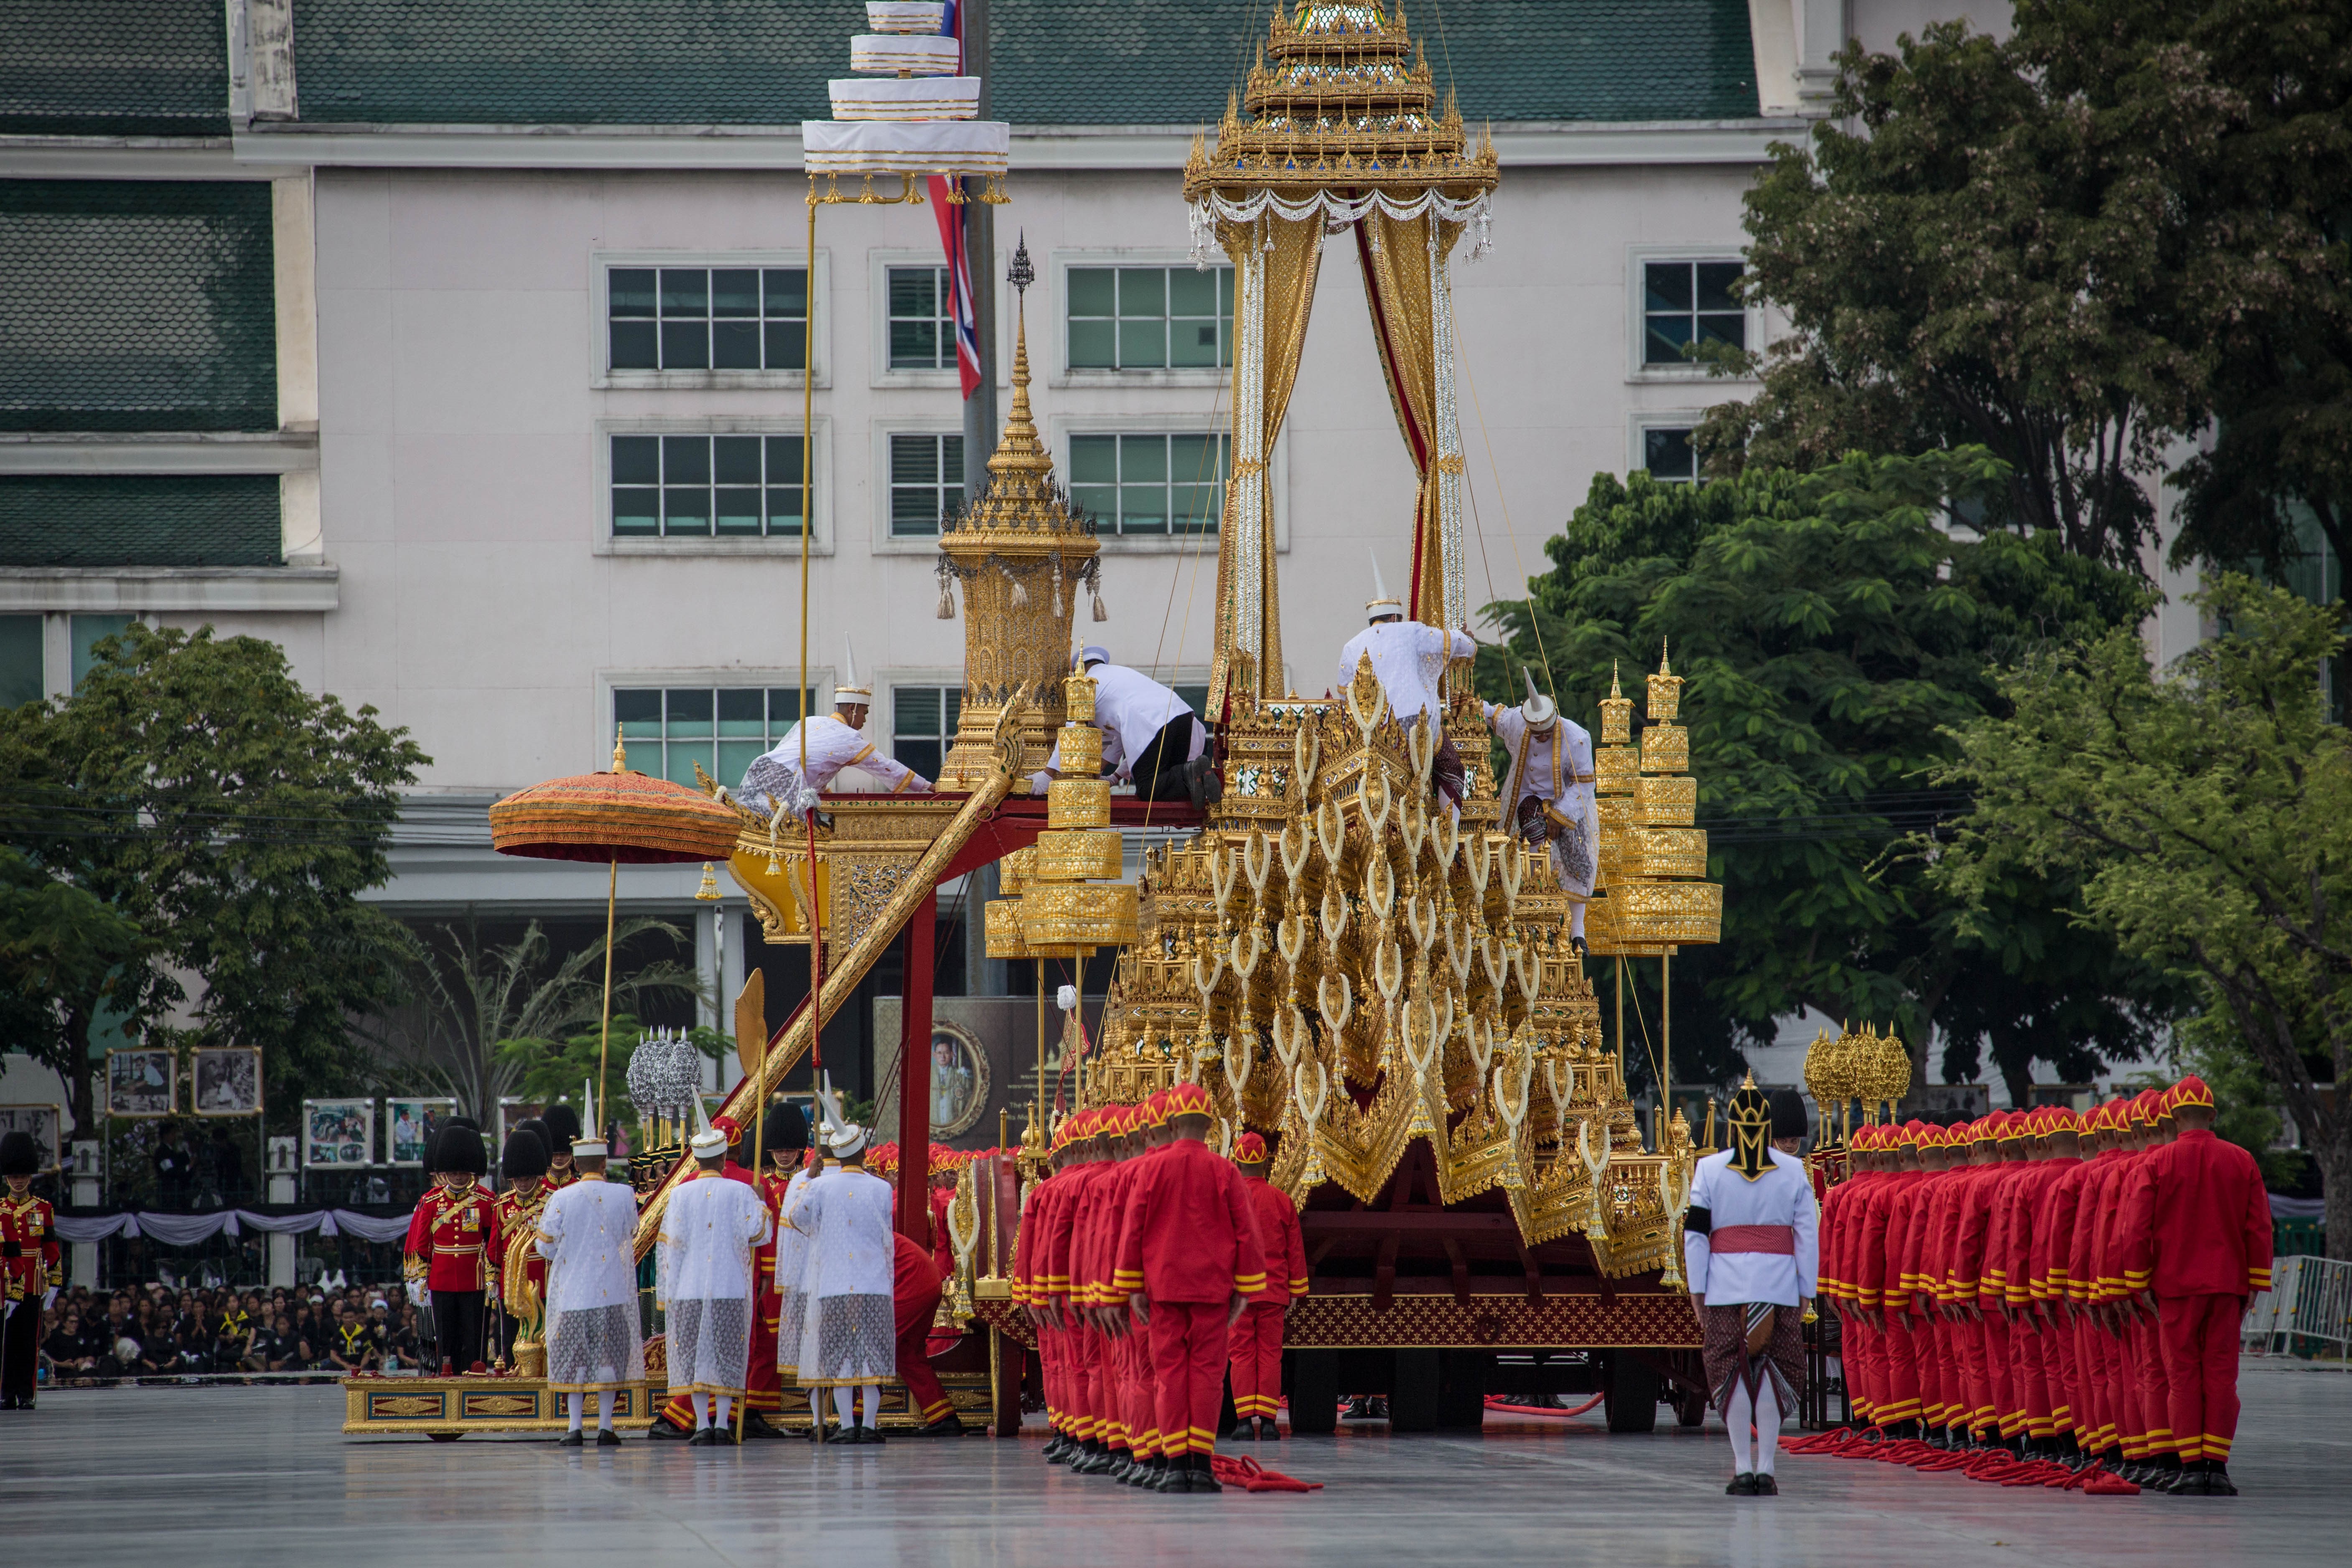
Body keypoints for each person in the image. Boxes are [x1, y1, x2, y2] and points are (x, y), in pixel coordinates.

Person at [2114, 1076, 2270, 1497]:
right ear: (2213, 1115)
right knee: (2221, 1375)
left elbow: (2135, 1229)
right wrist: (2256, 1280)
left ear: (2175, 1117)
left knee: (2181, 1375)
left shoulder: (2156, 1163)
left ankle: (2188, 1468)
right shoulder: (2242, 1160)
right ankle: (2216, 1467)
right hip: (2226, 1284)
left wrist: (2137, 1280)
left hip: (2175, 1286)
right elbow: (2258, 1226)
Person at [1112, 1081, 1268, 1494]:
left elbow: (1134, 1230)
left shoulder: (1151, 1169)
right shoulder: (1225, 1169)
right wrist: (1245, 1289)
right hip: (1213, 1291)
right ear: (1208, 1124)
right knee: (1207, 1374)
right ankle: (1200, 1464)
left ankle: (1175, 1465)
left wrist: (1132, 1287)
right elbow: (1247, 1233)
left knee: (1168, 1375)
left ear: (1173, 1122)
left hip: (1163, 1289)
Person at [1683, 1083, 1817, 1497]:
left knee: (1731, 1372)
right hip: (1778, 1285)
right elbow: (1807, 1234)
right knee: (1774, 1370)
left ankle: (1743, 1466)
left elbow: (1696, 1235)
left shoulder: (1709, 1169)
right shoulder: (1794, 1171)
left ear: (1732, 1126)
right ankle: (1767, 1467)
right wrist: (1806, 1289)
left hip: (1725, 1286)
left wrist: (1697, 1288)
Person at [535, 1087, 645, 1445]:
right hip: (611, 1290)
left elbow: (544, 1247)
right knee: (609, 1360)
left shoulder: (560, 1198)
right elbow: (630, 1231)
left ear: (576, 1164)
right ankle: (607, 1427)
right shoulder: (624, 1194)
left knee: (576, 1361)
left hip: (572, 1294)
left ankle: (574, 1427)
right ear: (604, 1163)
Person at [656, 1109, 772, 1444]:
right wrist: (761, 1205)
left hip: (690, 1287)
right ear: (724, 1158)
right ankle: (721, 1423)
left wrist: (668, 1292)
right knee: (726, 1356)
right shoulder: (741, 1192)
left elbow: (670, 1247)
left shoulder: (680, 1193)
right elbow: (760, 1234)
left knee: (695, 1359)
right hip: (730, 1286)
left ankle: (703, 1427)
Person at [787, 1107, 898, 1443]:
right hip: (872, 1282)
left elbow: (797, 1218)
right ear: (864, 1152)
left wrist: (809, 1180)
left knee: (840, 1356)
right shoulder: (882, 1188)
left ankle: (848, 1425)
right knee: (870, 1356)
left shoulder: (821, 1187)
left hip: (834, 1284)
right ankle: (869, 1425)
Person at [1334, 555, 1476, 805]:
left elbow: (1345, 696)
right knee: (1451, 767)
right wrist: (1467, 640)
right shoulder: (1411, 630)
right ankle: (1448, 837)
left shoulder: (1351, 646)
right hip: (1414, 721)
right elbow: (1457, 644)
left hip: (1372, 732)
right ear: (1394, 618)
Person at [739, 637, 932, 819]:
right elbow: (886, 766)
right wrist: (927, 786)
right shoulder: (850, 738)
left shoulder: (811, 721)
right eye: (864, 713)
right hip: (788, 779)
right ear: (852, 709)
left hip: (762, 766)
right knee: (793, 830)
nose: (865, 720)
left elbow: (808, 765)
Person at [1485, 667, 1599, 954]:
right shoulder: (1518, 723)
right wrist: (1467, 705)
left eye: (1547, 732)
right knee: (1532, 844)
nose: (1543, 738)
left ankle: (1577, 931)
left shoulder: (1576, 737)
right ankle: (1531, 911)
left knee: (1579, 861)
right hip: (1526, 799)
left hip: (1566, 803)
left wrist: (1560, 816)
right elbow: (1491, 715)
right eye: (1538, 734)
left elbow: (1584, 785)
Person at [1029, 648, 1217, 807]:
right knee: (1169, 779)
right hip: (1182, 716)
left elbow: (1072, 732)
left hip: (1154, 724)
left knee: (1148, 789)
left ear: (1076, 671)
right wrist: (1113, 777)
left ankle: (1191, 772)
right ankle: (1196, 773)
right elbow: (1122, 738)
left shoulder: (1088, 684)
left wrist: (1048, 774)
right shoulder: (1119, 675)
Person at [1227, 1131, 1307, 1441]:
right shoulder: (1282, 1200)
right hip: (1274, 1292)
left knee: (1242, 1354)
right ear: (1266, 1164)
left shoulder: (1229, 1200)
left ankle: (1245, 1423)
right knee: (1271, 1355)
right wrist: (1297, 1290)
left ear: (1236, 1162)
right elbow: (1295, 1250)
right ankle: (1271, 1423)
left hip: (1239, 1295)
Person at [402, 1124, 500, 1374]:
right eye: (454, 1172)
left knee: (473, 1337)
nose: (458, 1177)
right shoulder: (431, 1202)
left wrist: (492, 1277)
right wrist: (419, 1277)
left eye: (462, 1172)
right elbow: (423, 1244)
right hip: (441, 1280)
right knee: (446, 1340)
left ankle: (473, 1375)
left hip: (473, 1279)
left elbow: (492, 1242)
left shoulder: (486, 1201)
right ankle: (448, 1378)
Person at [1, 1129, 61, 1409]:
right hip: (5, 1281)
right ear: (7, 1178)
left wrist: (56, 1282)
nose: (19, 1181)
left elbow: (51, 1247)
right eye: (14, 1177)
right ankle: (5, 1392)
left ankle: (27, 1393)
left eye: (23, 1176)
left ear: (30, 1177)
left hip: (33, 1282)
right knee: (5, 1343)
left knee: (28, 1341)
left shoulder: (43, 1209)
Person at [492, 1125, 551, 1369]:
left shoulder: (550, 1202)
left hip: (542, 1280)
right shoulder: (502, 1205)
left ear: (536, 1177)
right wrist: (491, 1280)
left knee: (543, 1336)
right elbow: (495, 1248)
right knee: (510, 1336)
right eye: (518, 1179)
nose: (523, 1184)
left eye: (527, 1179)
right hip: (511, 1283)